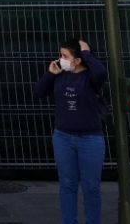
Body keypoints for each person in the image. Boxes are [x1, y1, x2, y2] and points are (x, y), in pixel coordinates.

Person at [33, 38, 108, 224]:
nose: (61, 59)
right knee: (67, 184)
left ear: (78, 60)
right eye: (61, 55)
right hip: (63, 138)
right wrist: (50, 74)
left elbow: (101, 72)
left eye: (65, 56)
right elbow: (38, 92)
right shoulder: (60, 75)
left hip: (90, 139)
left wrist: (87, 53)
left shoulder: (90, 77)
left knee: (91, 187)